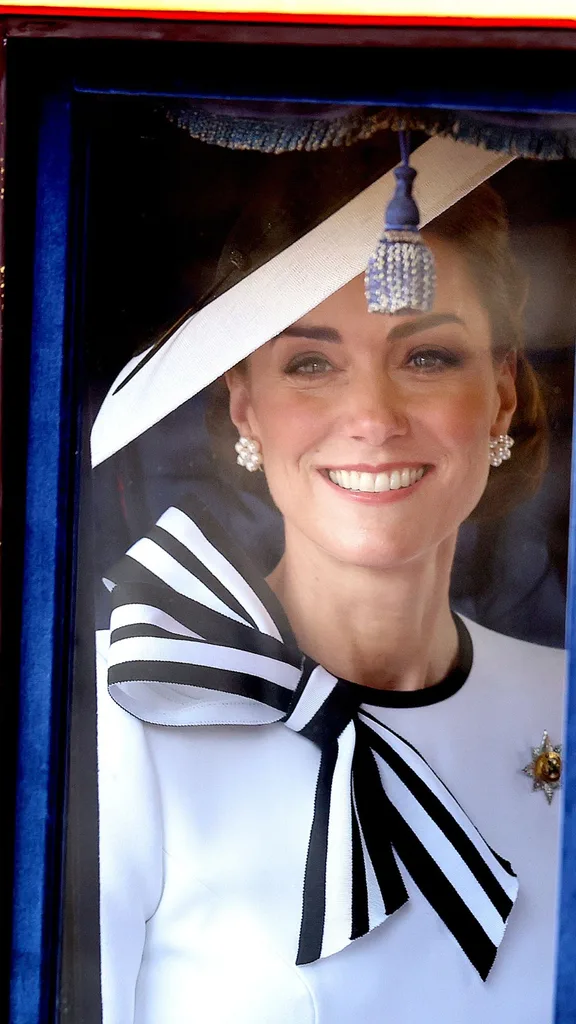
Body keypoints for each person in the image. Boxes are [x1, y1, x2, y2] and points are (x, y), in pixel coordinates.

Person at [93, 131, 565, 1024]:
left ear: (501, 393)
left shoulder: (566, 702)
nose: (372, 419)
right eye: (311, 364)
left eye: (427, 357)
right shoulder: (133, 716)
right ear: (244, 405)